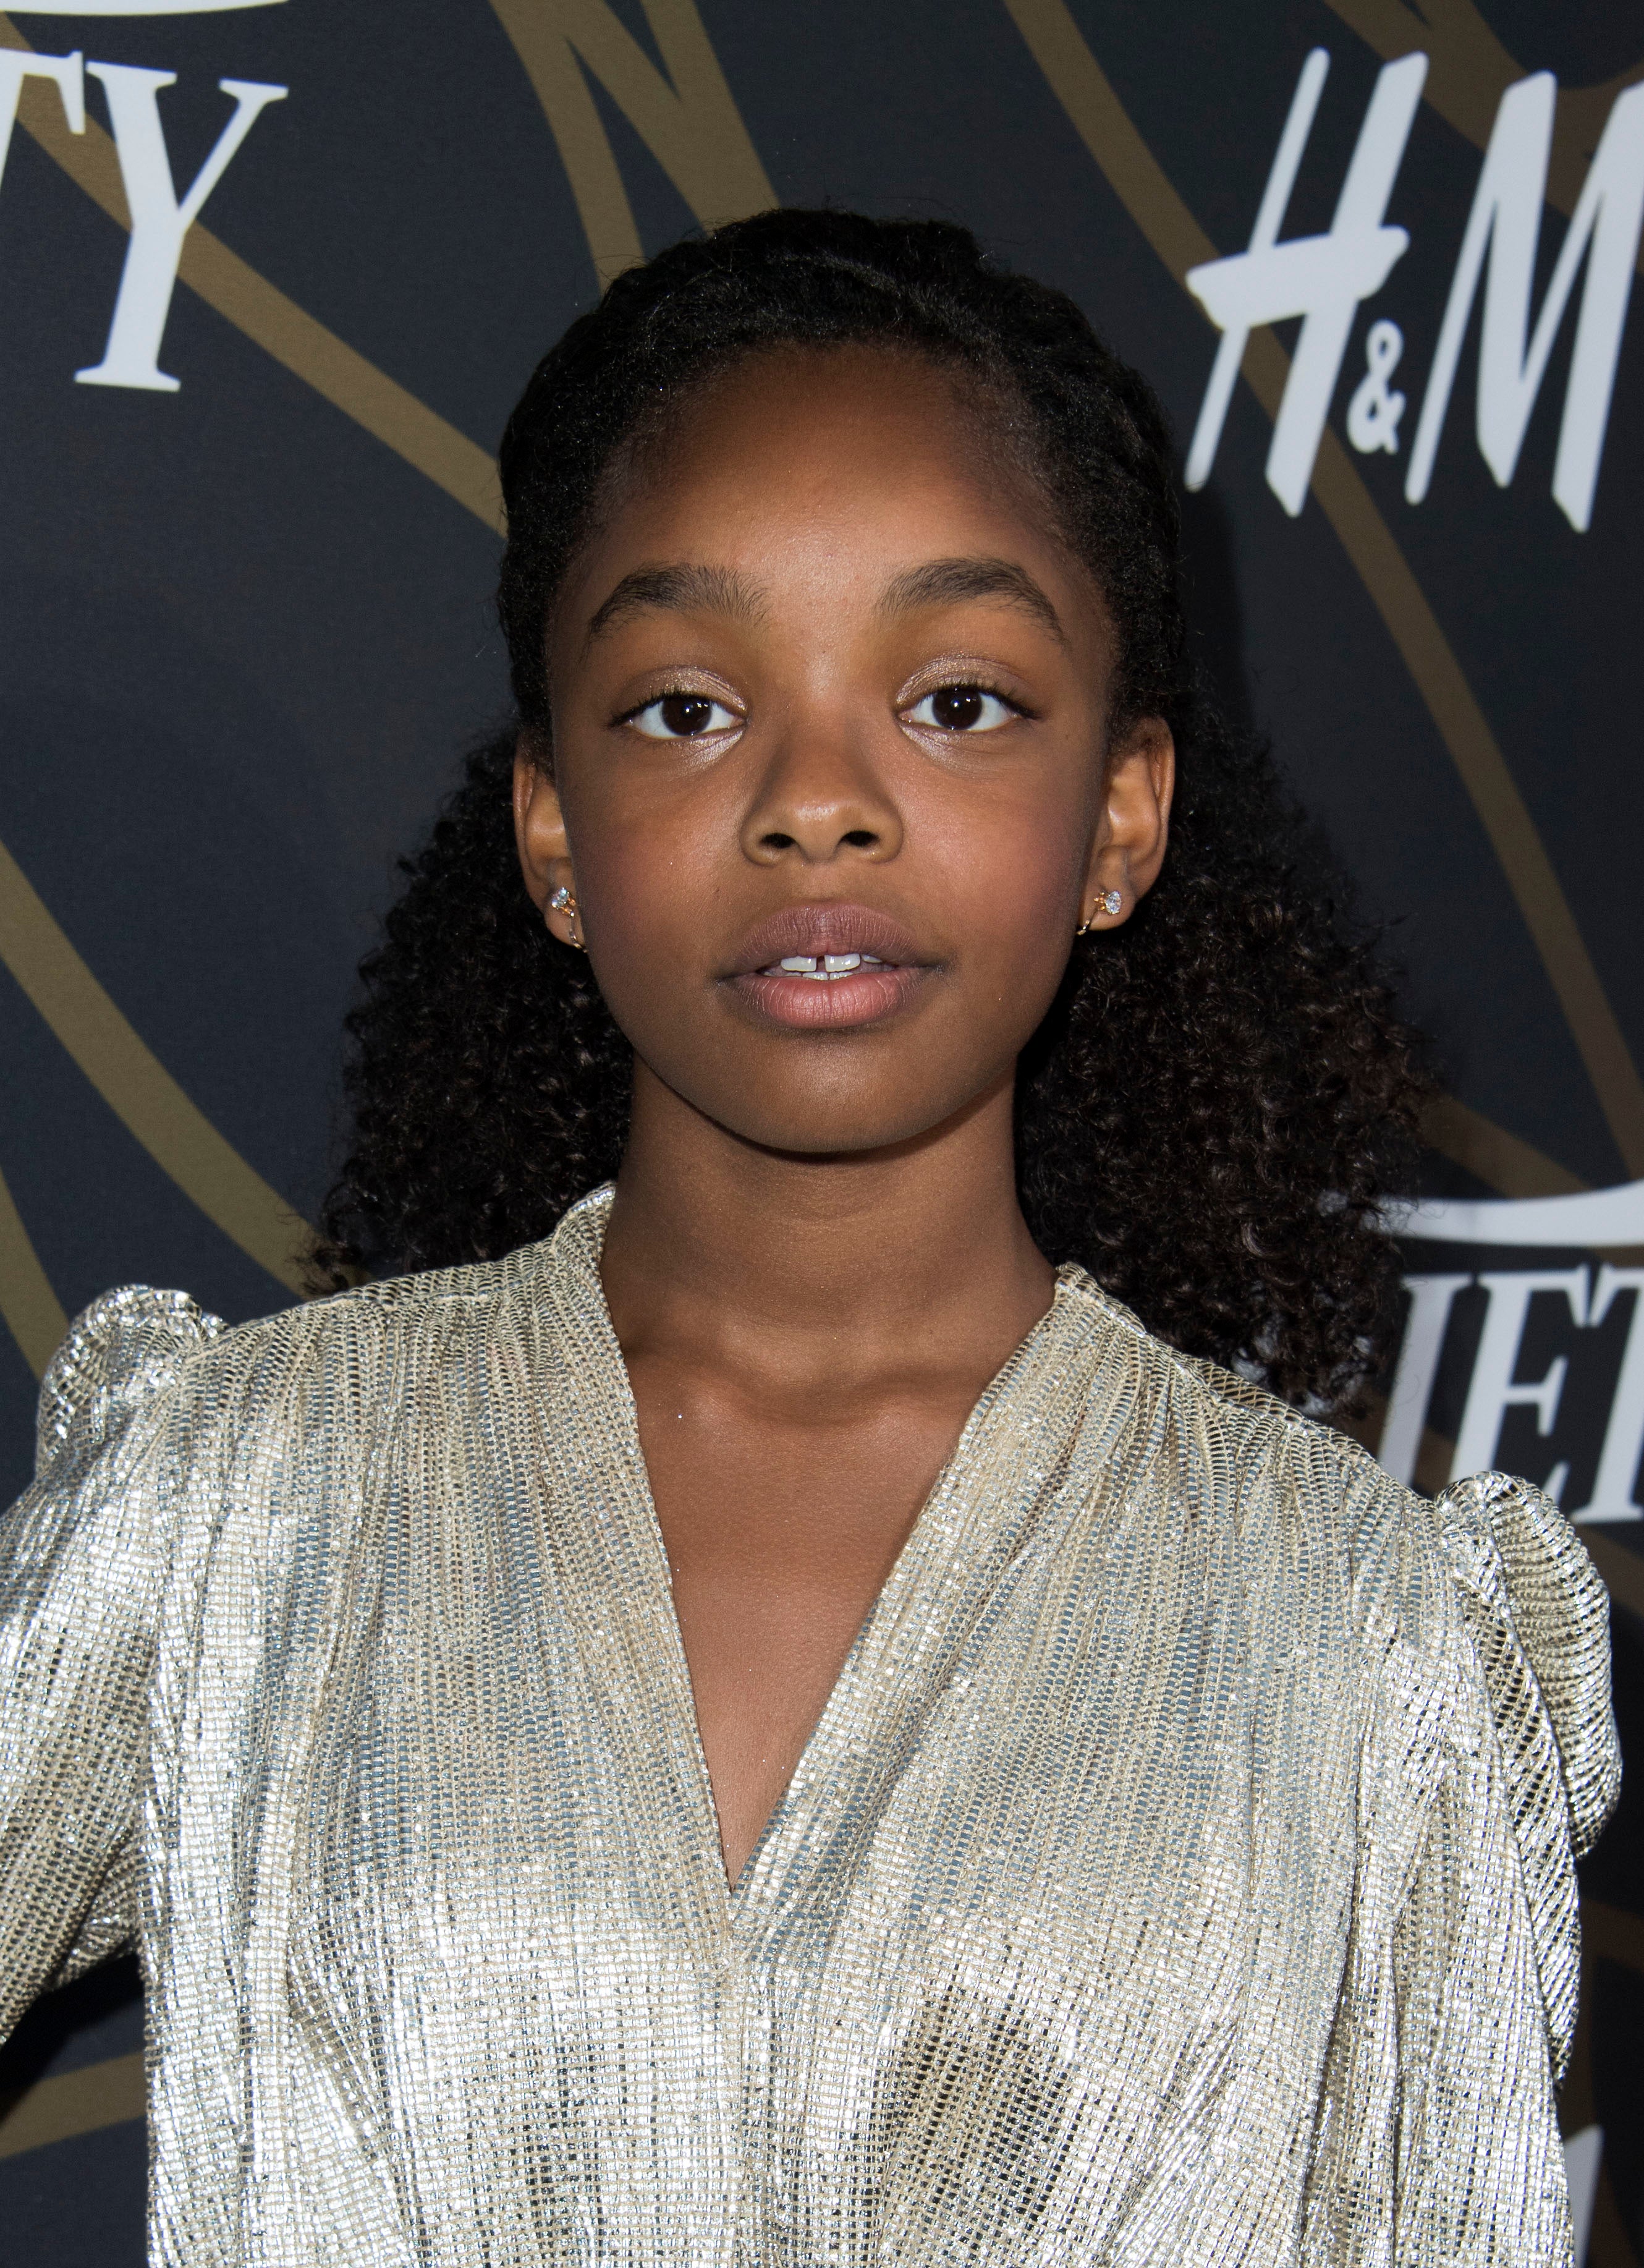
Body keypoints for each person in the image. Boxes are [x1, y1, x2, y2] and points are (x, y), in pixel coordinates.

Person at [0, 211, 1617, 2267]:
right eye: (687, 706)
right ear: (551, 826)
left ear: (1121, 818)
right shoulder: (242, 1511)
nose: (817, 802)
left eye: (957, 699)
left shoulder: (1356, 1640)